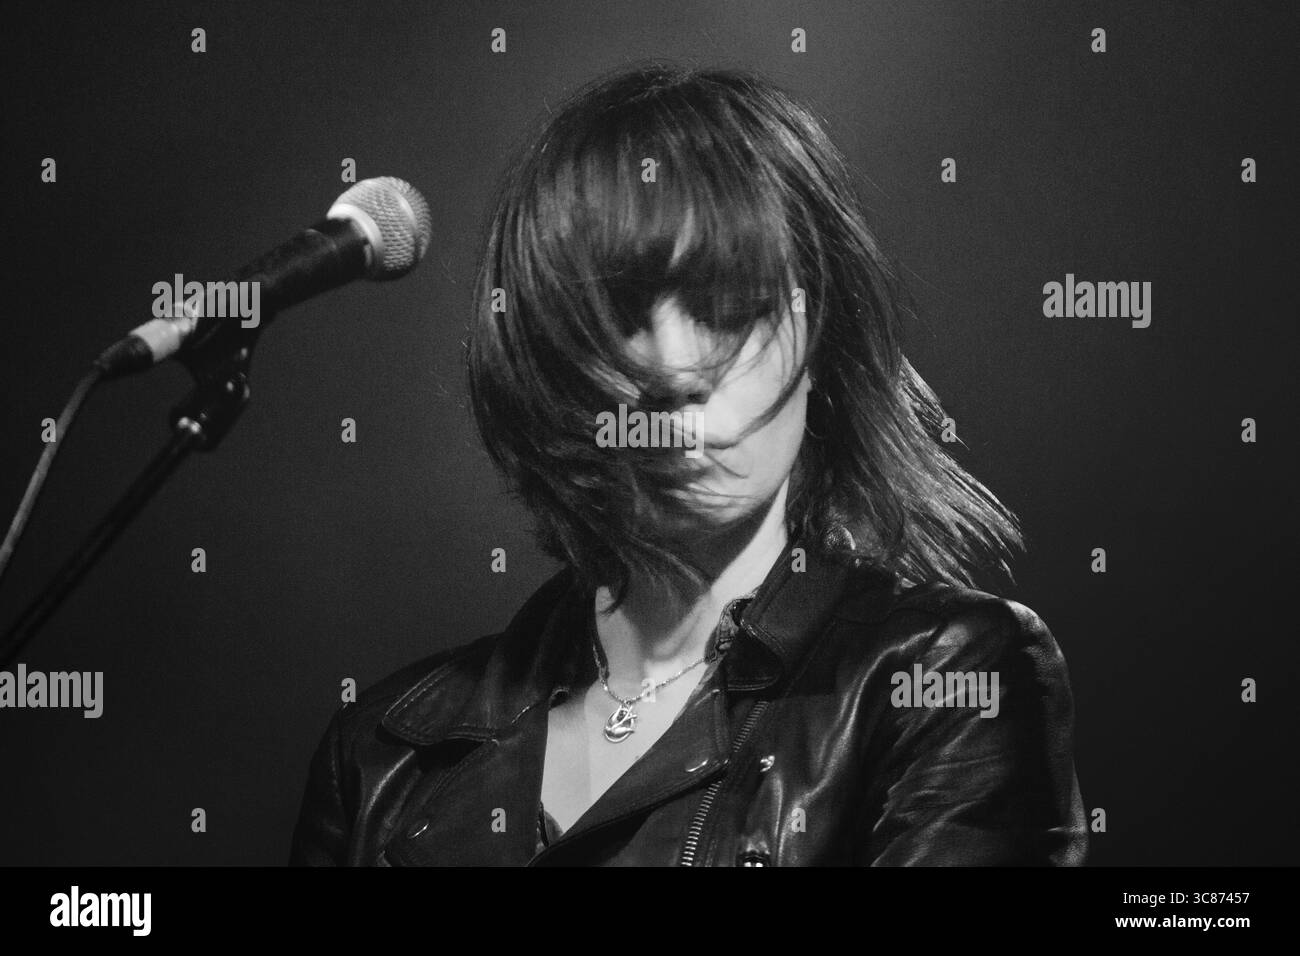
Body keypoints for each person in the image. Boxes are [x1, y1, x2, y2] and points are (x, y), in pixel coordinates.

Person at [289, 63, 1087, 866]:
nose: (673, 366)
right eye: (624, 312)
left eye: (725, 308)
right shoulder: (384, 757)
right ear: (546, 362)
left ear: (818, 340)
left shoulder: (942, 681)